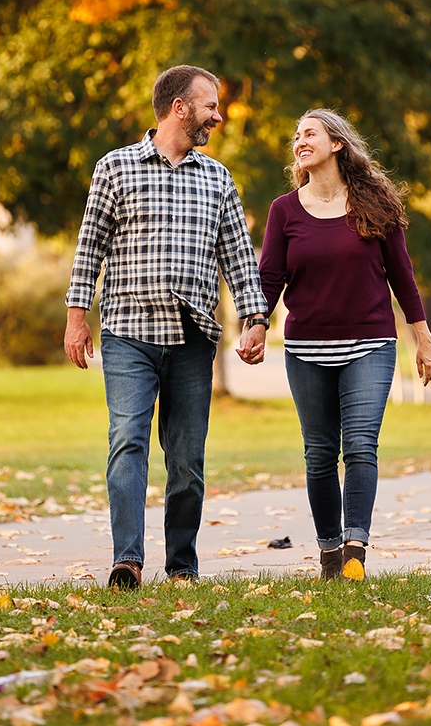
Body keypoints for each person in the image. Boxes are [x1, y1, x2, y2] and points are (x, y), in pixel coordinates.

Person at [64, 66, 268, 588]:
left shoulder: (217, 177)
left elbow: (237, 254)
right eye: (210, 106)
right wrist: (76, 318)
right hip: (129, 331)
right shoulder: (115, 168)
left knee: (186, 457)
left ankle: (181, 564)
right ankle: (127, 561)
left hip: (193, 338)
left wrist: (255, 317)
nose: (218, 116)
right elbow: (91, 248)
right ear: (179, 107)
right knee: (126, 440)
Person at [259, 109, 431, 582]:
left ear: (336, 144)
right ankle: (329, 552)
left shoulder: (374, 202)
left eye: (310, 132)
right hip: (306, 349)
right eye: (296, 134)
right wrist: (255, 324)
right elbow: (269, 279)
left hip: (370, 342)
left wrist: (423, 338)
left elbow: (402, 276)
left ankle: (356, 549)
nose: (300, 140)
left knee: (360, 446)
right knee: (319, 453)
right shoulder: (284, 211)